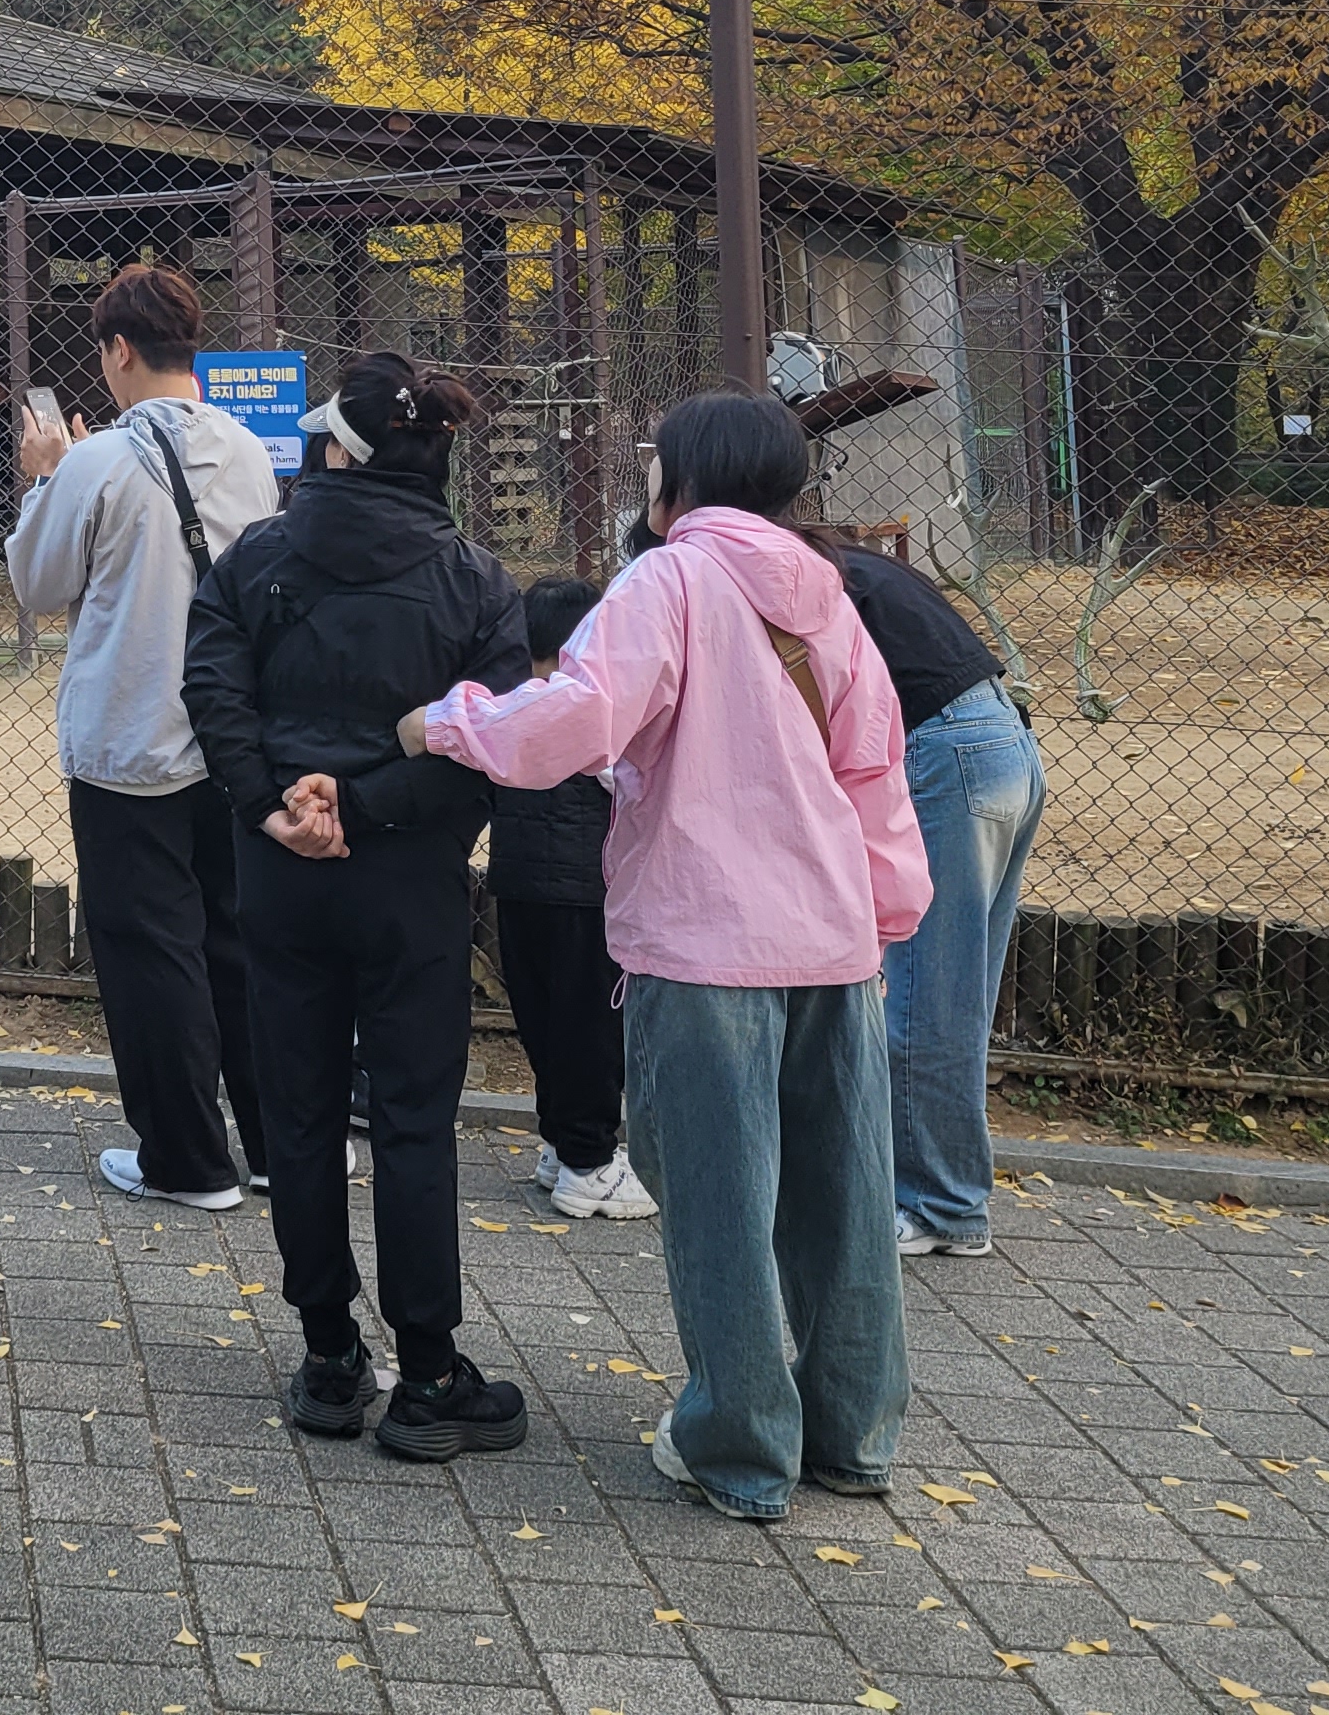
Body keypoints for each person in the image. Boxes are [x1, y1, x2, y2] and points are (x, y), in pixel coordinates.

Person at [405, 389, 930, 1522]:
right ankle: (853, 1434)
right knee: (843, 1199)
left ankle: (739, 1448)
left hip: (705, 946)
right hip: (835, 944)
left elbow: (579, 718)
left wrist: (448, 720)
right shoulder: (828, 596)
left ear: (683, 477)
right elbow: (874, 768)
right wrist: (884, 917)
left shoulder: (669, 580)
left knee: (718, 1202)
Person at [183, 352, 530, 1458]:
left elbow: (212, 688)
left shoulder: (258, 556)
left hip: (282, 870)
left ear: (340, 450)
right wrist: (369, 802)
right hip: (410, 877)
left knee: (299, 1113)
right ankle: (427, 1372)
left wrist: (272, 803)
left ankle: (329, 1355)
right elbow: (492, 740)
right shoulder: (476, 582)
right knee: (415, 1119)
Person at [6, 263, 275, 1211]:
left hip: (130, 740)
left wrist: (46, 477)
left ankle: (187, 1159)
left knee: (150, 948)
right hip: (231, 739)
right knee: (238, 940)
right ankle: (276, 1144)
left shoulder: (98, 462)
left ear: (119, 350)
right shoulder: (249, 452)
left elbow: (38, 584)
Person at [844, 545, 1042, 1257]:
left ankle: (941, 1205)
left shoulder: (769, 579)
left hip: (944, 751)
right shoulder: (842, 559)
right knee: (953, 995)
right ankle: (943, 1192)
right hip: (1001, 737)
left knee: (923, 997)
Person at [490, 573, 654, 1223]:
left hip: (516, 884)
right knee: (591, 1027)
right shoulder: (593, 707)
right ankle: (590, 1162)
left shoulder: (507, 704)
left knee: (542, 1020)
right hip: (589, 892)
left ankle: (559, 1144)